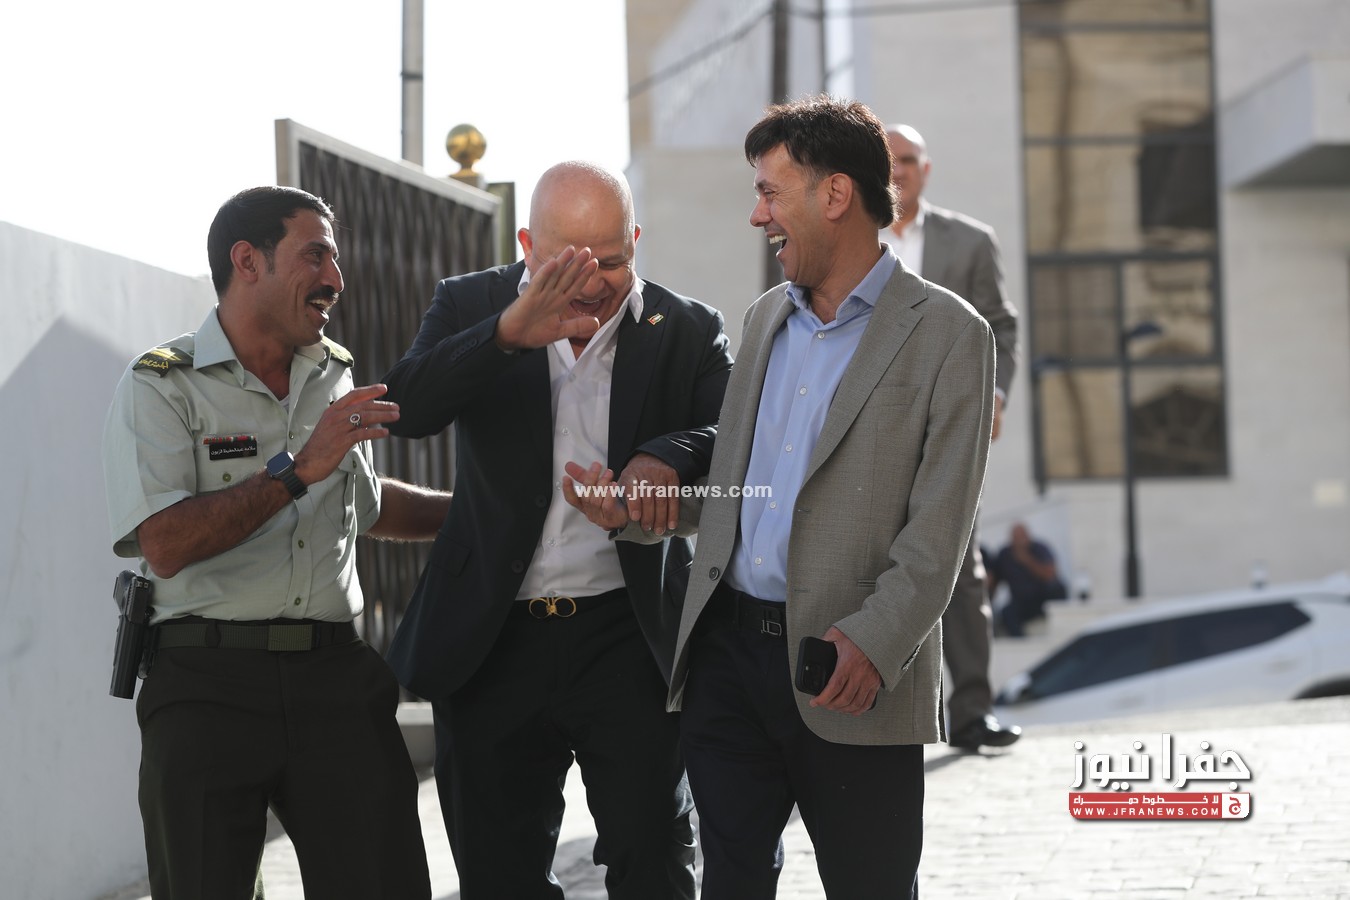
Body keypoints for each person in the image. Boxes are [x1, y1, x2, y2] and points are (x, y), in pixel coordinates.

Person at [569, 97, 994, 899]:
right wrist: (641, 511)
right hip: (726, 662)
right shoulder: (765, 318)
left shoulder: (951, 334)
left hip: (849, 668)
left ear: (835, 194)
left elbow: (940, 530)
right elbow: (745, 486)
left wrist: (873, 643)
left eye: (770, 192)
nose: (756, 214)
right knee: (731, 883)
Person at [380, 161, 733, 899]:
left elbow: (735, 429)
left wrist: (666, 456)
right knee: (498, 876)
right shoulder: (469, 302)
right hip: (491, 639)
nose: (594, 283)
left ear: (635, 239)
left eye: (613, 260)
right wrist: (505, 334)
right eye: (570, 264)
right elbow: (407, 407)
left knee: (655, 859)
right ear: (526, 246)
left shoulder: (686, 327)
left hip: (627, 636)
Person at [102, 185, 453, 899]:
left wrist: (491, 513)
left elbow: (368, 506)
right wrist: (295, 471)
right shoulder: (162, 384)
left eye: (335, 259)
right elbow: (164, 543)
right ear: (247, 261)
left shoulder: (333, 371)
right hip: (206, 685)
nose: (336, 279)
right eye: (315, 255)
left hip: (337, 679)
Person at [884, 123, 1023, 751]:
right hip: (871, 425)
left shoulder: (969, 241)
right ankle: (889, 712)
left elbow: (1000, 326)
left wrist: (995, 396)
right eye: (889, 160)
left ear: (926, 169)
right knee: (873, 559)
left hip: (950, 425)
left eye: (909, 160)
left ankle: (970, 711)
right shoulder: (852, 240)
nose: (899, 170)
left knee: (960, 563)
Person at [988, 522, 1067, 637]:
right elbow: (994, 581)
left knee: (1058, 589)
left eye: (1022, 536)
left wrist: (1026, 560)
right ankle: (1020, 642)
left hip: (1042, 597)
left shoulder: (1040, 549)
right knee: (1007, 613)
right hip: (1021, 602)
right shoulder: (1005, 555)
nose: (1020, 541)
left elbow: (1050, 575)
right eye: (1016, 537)